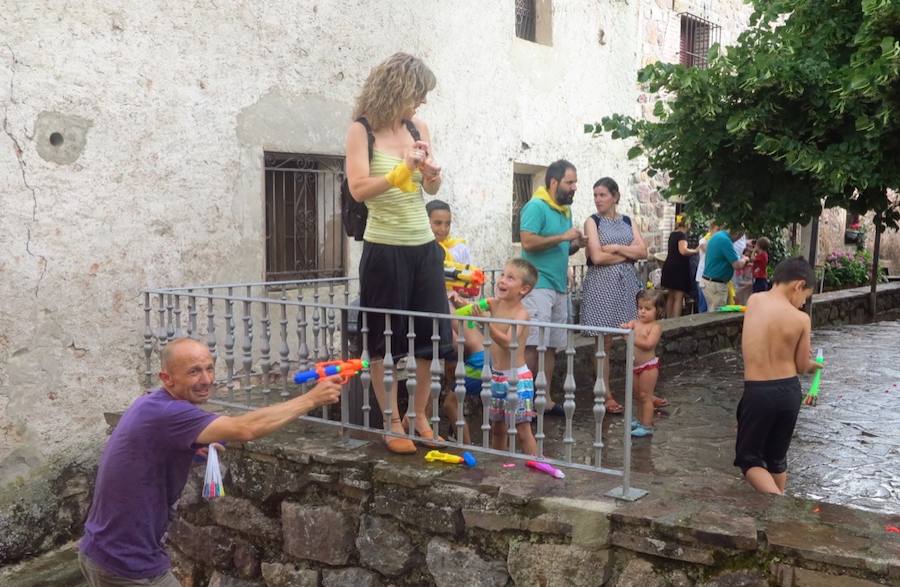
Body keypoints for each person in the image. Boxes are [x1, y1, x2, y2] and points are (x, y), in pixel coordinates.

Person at [79, 338, 341, 585]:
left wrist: (190, 451)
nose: (206, 380)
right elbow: (244, 429)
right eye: (194, 372)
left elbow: (148, 452)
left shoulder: (152, 404)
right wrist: (311, 399)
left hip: (103, 549)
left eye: (209, 369)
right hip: (126, 561)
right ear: (166, 378)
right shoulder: (169, 413)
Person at [345, 53, 450, 453]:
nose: (421, 103)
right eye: (418, 94)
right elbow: (359, 189)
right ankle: (391, 421)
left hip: (423, 246)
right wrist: (399, 170)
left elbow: (430, 190)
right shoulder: (361, 130)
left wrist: (432, 176)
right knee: (382, 339)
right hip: (384, 247)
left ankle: (418, 414)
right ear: (399, 89)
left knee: (430, 336)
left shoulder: (416, 126)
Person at [735, 258, 821, 494]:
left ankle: (779, 501)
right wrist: (815, 365)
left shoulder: (755, 301)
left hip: (759, 392)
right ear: (798, 285)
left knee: (749, 460)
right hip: (789, 393)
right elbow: (802, 365)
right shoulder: (802, 320)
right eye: (806, 296)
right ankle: (777, 513)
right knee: (776, 458)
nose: (803, 303)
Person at [519, 160, 585, 417]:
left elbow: (562, 248)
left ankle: (543, 399)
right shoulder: (535, 206)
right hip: (537, 286)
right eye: (570, 182)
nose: (574, 187)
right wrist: (562, 237)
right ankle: (524, 403)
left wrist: (576, 244)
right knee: (534, 345)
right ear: (554, 182)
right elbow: (528, 241)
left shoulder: (564, 210)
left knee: (551, 346)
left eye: (575, 182)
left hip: (558, 286)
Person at [579, 177, 648, 414]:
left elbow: (644, 251)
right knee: (604, 341)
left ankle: (643, 390)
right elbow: (597, 257)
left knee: (635, 337)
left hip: (626, 286)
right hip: (601, 287)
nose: (598, 199)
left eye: (603, 195)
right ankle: (605, 393)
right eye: (595, 195)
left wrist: (618, 249)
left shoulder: (628, 220)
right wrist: (629, 255)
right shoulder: (592, 221)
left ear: (615, 196)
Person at [426, 199, 480, 444]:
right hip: (435, 311)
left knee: (451, 378)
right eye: (437, 223)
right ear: (426, 222)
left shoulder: (458, 248)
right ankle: (429, 423)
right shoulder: (423, 249)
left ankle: (451, 429)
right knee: (432, 374)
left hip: (455, 311)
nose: (442, 229)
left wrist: (464, 293)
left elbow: (470, 285)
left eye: (447, 223)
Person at [478, 258, 539, 455]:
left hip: (517, 379)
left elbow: (509, 342)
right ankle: (499, 466)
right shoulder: (494, 304)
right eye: (503, 275)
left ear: (524, 289)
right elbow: (471, 308)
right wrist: (458, 300)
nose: (502, 280)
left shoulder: (521, 314)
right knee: (497, 429)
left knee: (523, 430)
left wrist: (487, 323)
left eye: (510, 278)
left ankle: (537, 466)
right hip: (497, 376)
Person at [620, 290, 665, 438]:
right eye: (640, 308)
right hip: (634, 366)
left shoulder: (655, 327)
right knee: (638, 396)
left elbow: (648, 344)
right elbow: (627, 327)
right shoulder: (635, 323)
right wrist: (625, 327)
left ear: (657, 310)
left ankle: (647, 425)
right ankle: (640, 420)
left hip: (648, 366)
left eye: (647, 309)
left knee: (646, 396)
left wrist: (630, 338)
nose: (643, 312)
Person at [700, 227, 749, 312]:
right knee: (718, 315)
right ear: (737, 233)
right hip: (716, 284)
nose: (737, 240)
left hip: (709, 282)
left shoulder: (718, 235)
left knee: (713, 311)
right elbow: (737, 265)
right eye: (739, 237)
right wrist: (745, 259)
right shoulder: (726, 241)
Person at [660, 216, 698, 318]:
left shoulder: (673, 234)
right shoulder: (682, 235)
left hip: (669, 267)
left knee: (671, 296)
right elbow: (683, 251)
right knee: (678, 297)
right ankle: (676, 321)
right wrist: (696, 251)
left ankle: (668, 320)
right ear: (687, 224)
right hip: (678, 269)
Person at [694, 221, 719, 313]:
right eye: (717, 229)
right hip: (703, 277)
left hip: (713, 278)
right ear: (711, 229)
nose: (719, 232)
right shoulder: (704, 241)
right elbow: (711, 251)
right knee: (703, 305)